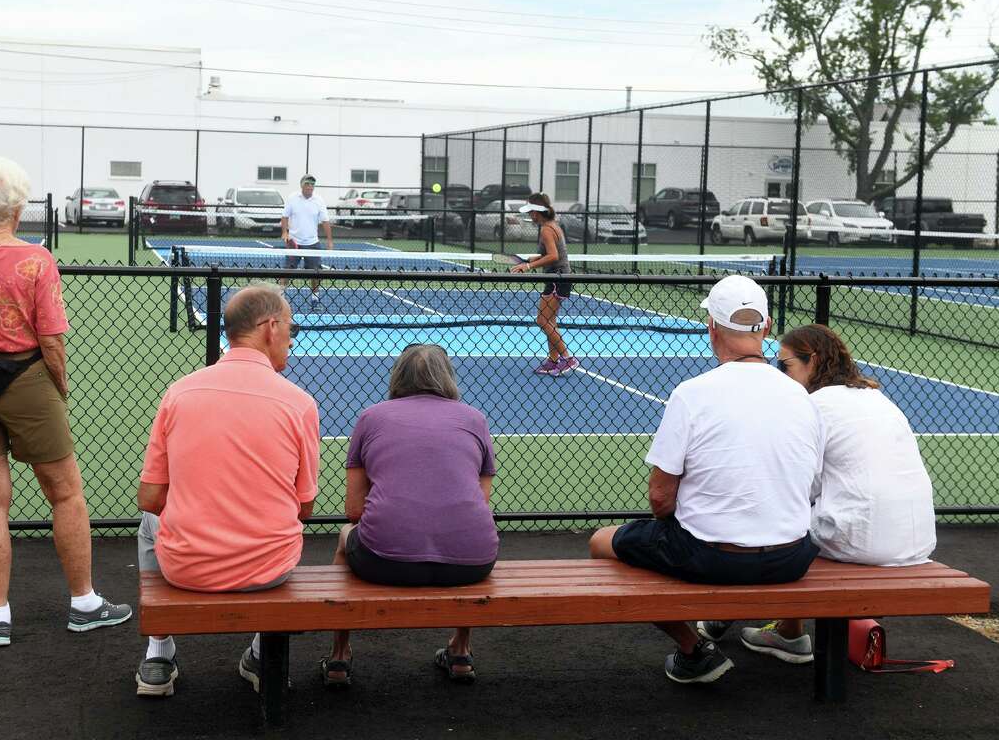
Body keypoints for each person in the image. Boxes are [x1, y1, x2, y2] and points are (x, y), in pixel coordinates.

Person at [0, 156, 129, 647]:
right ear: (18, 207)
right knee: (64, 493)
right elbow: (53, 340)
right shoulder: (36, 261)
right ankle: (83, 602)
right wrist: (57, 387)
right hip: (28, 381)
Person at [588, 275, 825, 684]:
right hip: (792, 557)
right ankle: (726, 622)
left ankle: (693, 650)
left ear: (711, 327)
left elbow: (660, 500)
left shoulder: (691, 393)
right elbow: (809, 484)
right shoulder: (802, 398)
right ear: (766, 328)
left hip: (713, 557)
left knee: (601, 542)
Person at [705, 324, 937, 664]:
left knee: (772, 523)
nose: (781, 374)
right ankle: (786, 632)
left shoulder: (813, 405)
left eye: (785, 366)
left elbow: (795, 484)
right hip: (915, 541)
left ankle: (734, 617)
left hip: (864, 540)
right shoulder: (877, 398)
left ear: (812, 360)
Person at [134, 283, 318, 698]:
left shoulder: (180, 392)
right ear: (270, 327)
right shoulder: (300, 404)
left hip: (187, 567)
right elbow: (304, 507)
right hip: (269, 569)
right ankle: (257, 653)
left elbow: (150, 498)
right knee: (280, 518)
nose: (292, 337)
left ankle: (159, 652)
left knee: (149, 521)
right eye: (292, 327)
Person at [320, 343, 498, 688]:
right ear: (447, 377)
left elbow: (354, 511)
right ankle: (460, 651)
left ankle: (340, 655)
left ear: (398, 376)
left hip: (382, 560)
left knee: (345, 538)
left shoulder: (371, 417)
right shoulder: (475, 419)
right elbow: (481, 503)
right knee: (465, 530)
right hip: (472, 561)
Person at [510, 193, 578, 376]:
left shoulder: (547, 230)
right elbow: (549, 254)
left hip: (557, 278)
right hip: (559, 278)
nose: (530, 215)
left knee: (542, 320)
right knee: (550, 321)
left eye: (531, 211)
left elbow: (554, 256)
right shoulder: (552, 226)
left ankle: (567, 358)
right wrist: (533, 258)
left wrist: (528, 266)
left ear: (537, 212)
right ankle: (553, 360)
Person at [280, 174, 333, 302]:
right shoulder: (292, 198)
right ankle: (280, 297)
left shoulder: (319, 200)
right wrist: (285, 233)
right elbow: (284, 216)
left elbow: (325, 221)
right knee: (287, 271)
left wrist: (330, 241)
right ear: (302, 185)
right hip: (294, 242)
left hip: (312, 243)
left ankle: (315, 298)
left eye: (312, 184)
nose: (310, 186)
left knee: (315, 273)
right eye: (307, 184)